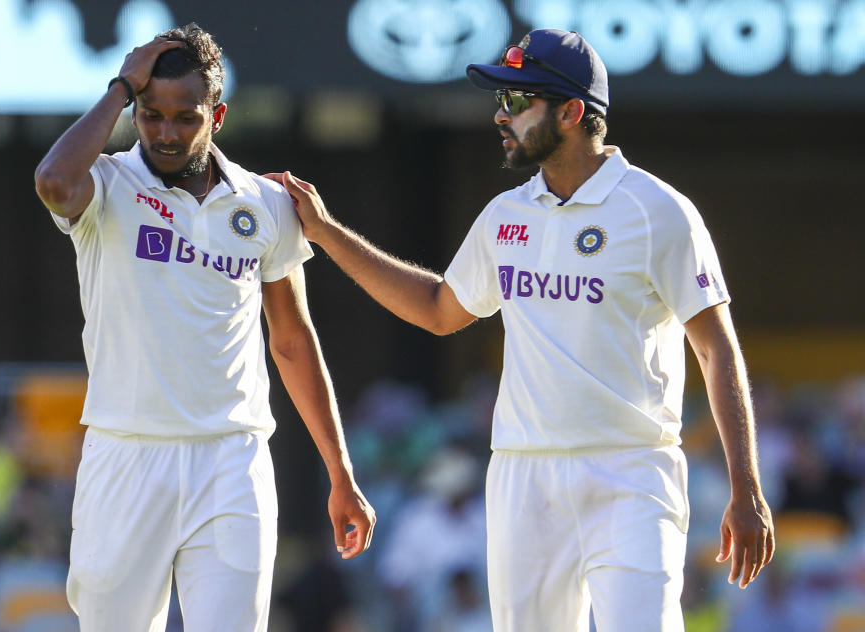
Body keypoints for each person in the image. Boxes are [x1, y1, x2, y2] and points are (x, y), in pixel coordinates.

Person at [267, 28, 774, 632]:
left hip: (632, 472)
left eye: (515, 102)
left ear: (572, 112)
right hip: (523, 476)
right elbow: (437, 309)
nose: (498, 116)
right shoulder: (507, 214)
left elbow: (717, 350)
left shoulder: (658, 211)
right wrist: (325, 233)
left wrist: (746, 488)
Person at [33, 23, 375, 632]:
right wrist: (118, 88)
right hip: (126, 454)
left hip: (232, 460)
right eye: (149, 115)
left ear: (217, 115)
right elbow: (53, 182)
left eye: (185, 118)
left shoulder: (266, 204)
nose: (165, 134)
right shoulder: (106, 183)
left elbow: (292, 341)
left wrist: (340, 473)